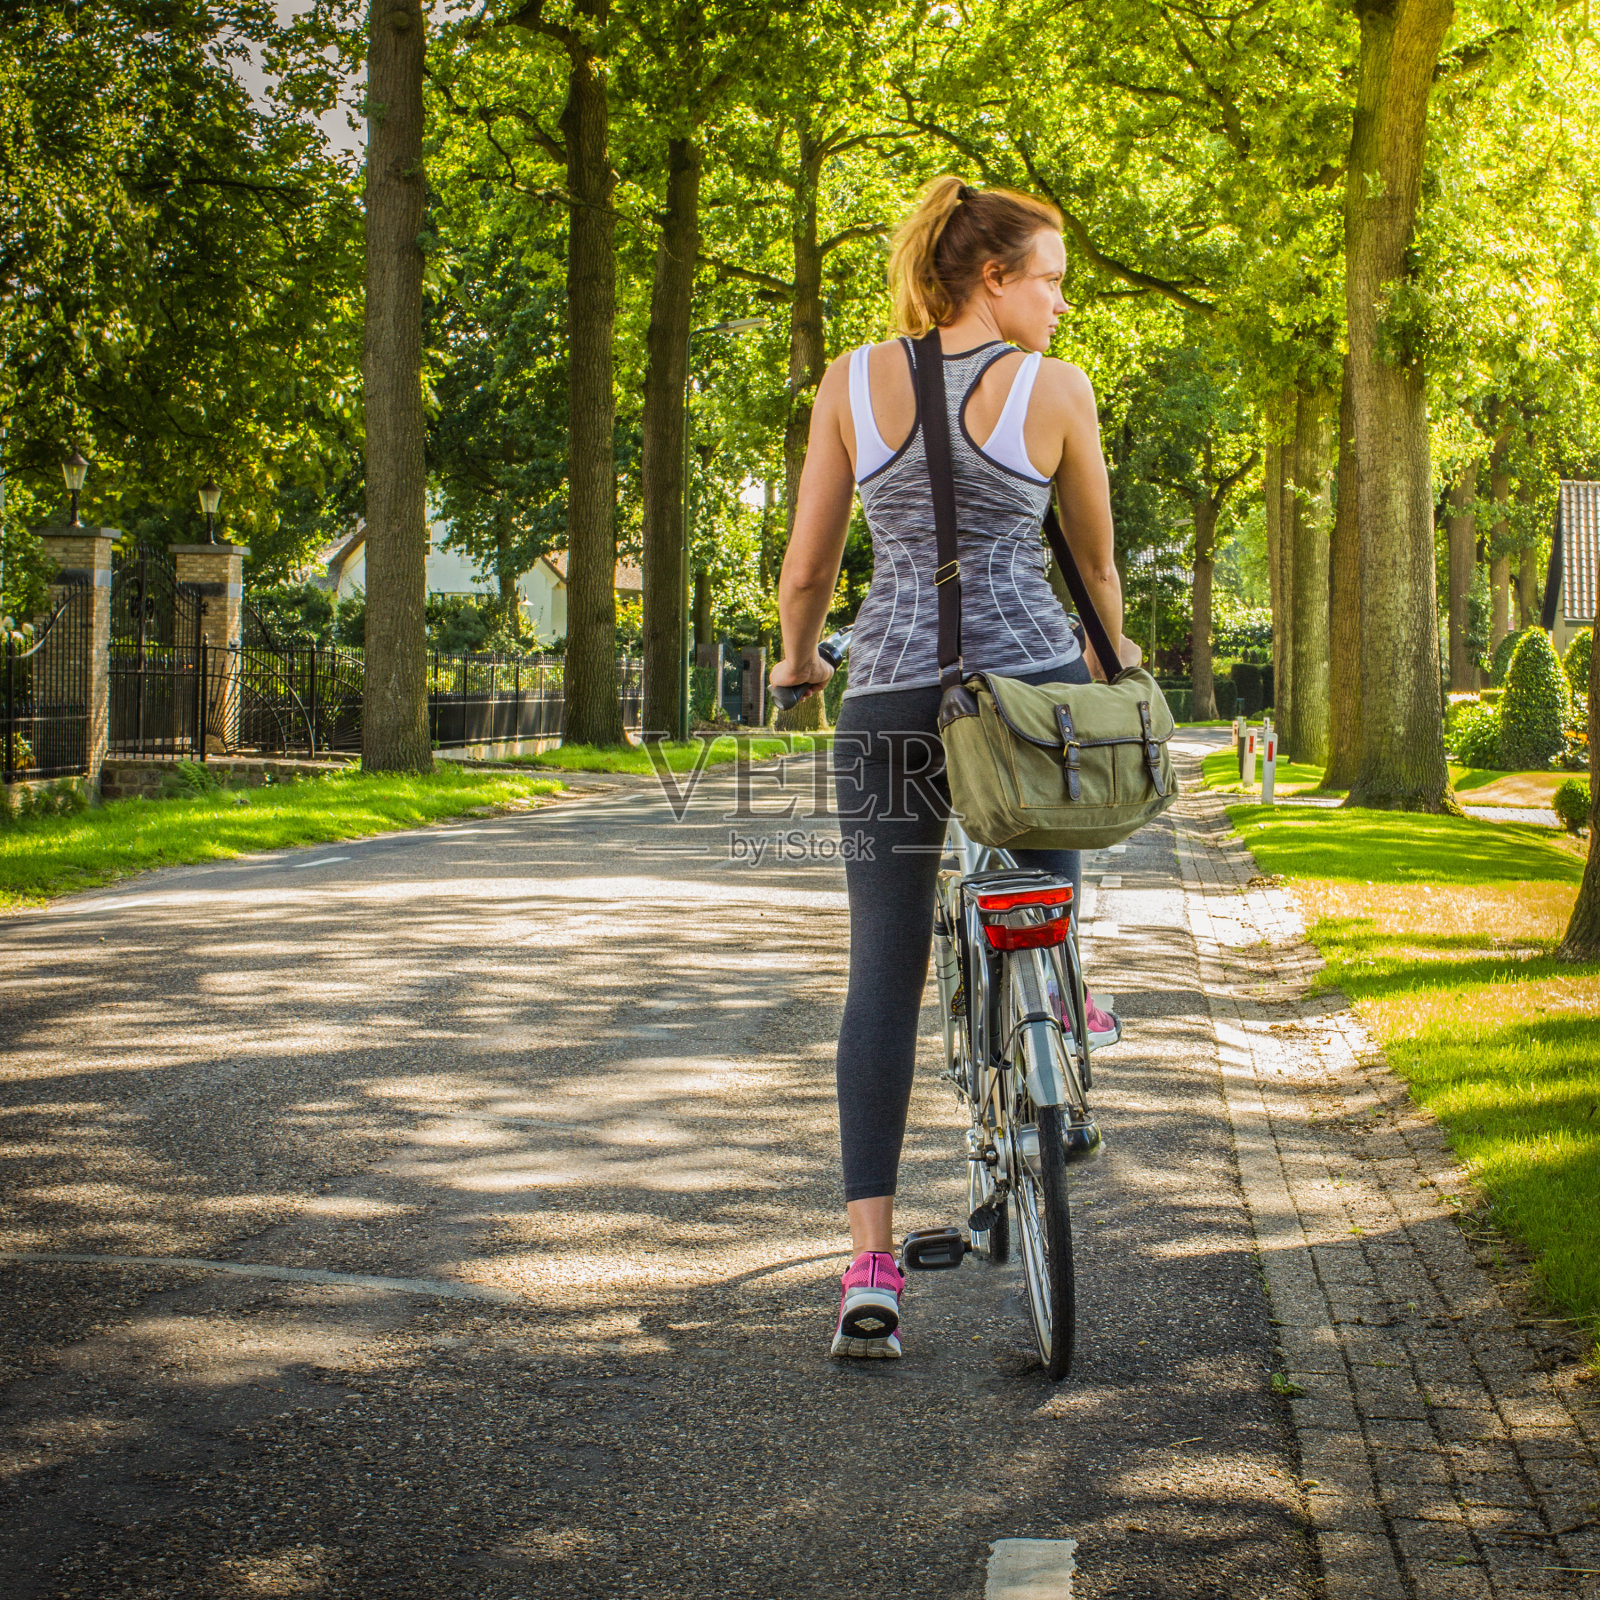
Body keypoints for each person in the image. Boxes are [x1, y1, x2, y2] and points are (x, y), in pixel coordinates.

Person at [772, 175, 1142, 1360]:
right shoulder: (1058, 393)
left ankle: (869, 1265)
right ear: (994, 278)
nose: (1059, 305)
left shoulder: (850, 382)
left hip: (883, 697)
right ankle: (1061, 1008)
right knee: (1044, 861)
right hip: (1024, 695)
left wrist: (797, 664)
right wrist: (1113, 655)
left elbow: (806, 572)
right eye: (1049, 279)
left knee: (880, 972)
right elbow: (1095, 573)